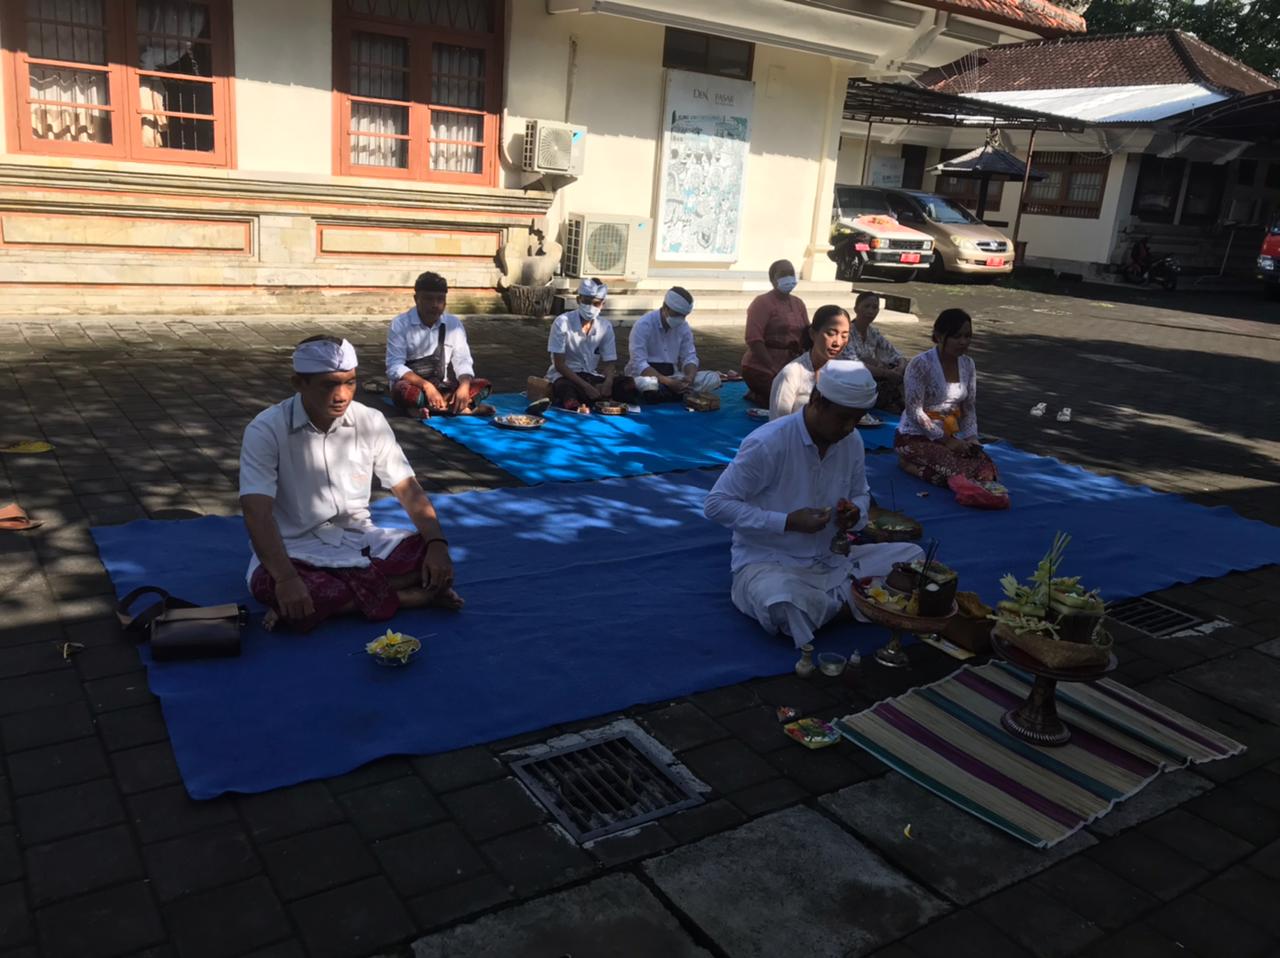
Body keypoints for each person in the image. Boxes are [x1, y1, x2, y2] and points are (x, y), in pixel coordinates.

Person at [240, 335, 463, 633]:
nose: (342, 395)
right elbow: (257, 513)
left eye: (350, 382)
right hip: (296, 550)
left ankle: (331, 606)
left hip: (360, 541)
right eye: (329, 384)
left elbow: (407, 488)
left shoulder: (370, 421)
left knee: (431, 558)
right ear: (298, 383)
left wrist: (437, 544)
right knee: (271, 583)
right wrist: (286, 579)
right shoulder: (265, 430)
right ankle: (409, 597)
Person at [705, 361, 923, 648]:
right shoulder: (768, 442)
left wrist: (854, 514)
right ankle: (862, 604)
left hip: (834, 560)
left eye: (855, 420)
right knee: (781, 603)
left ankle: (828, 611)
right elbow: (716, 505)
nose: (848, 428)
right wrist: (788, 522)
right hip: (772, 562)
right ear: (818, 400)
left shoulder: (852, 440)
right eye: (843, 418)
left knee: (915, 557)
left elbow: (861, 494)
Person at [895, 308, 999, 485]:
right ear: (940, 336)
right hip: (916, 435)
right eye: (957, 337)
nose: (963, 342)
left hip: (951, 435)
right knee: (959, 474)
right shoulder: (920, 364)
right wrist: (945, 440)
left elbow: (968, 407)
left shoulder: (968, 364)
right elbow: (914, 410)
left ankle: (923, 466)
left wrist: (971, 438)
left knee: (987, 469)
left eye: (967, 336)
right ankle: (908, 463)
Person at [386, 271, 493, 419]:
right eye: (429, 299)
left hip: (442, 387)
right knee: (402, 391)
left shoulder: (453, 324)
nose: (435, 305)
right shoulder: (400, 324)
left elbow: (463, 359)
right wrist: (426, 386)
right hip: (415, 387)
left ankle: (427, 408)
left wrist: (464, 385)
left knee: (483, 385)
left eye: (440, 299)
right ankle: (458, 408)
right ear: (417, 299)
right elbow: (394, 366)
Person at [545, 277, 634, 409]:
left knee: (626, 383)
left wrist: (608, 382)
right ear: (578, 300)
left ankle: (594, 395)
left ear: (603, 304)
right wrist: (586, 387)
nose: (591, 307)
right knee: (564, 387)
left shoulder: (605, 326)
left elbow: (610, 363)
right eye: (586, 302)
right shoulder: (562, 322)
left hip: (590, 375)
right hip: (566, 376)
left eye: (596, 303)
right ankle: (580, 398)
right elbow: (560, 365)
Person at [625, 287, 722, 402]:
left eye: (684, 316)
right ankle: (672, 392)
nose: (680, 319)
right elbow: (639, 363)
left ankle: (668, 392)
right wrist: (667, 381)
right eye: (677, 315)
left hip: (674, 376)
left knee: (712, 378)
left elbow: (689, 357)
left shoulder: (683, 327)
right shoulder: (643, 325)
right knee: (647, 385)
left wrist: (689, 377)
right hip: (647, 377)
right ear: (665, 308)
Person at [741, 259, 809, 405]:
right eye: (783, 274)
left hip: (793, 364)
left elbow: (808, 334)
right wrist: (773, 367)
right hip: (762, 366)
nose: (789, 277)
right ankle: (759, 394)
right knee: (787, 399)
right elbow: (754, 339)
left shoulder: (799, 303)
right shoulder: (761, 302)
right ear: (773, 279)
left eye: (791, 273)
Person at [769, 304, 850, 419]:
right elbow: (777, 424)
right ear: (813, 334)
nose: (837, 342)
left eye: (844, 336)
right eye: (831, 333)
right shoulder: (791, 373)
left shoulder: (842, 373)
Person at [841, 291, 905, 411]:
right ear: (856, 309)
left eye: (875, 307)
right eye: (866, 306)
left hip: (873, 376)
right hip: (853, 380)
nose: (870, 311)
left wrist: (900, 368)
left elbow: (896, 354)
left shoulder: (873, 333)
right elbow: (854, 364)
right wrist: (884, 372)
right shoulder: (846, 333)